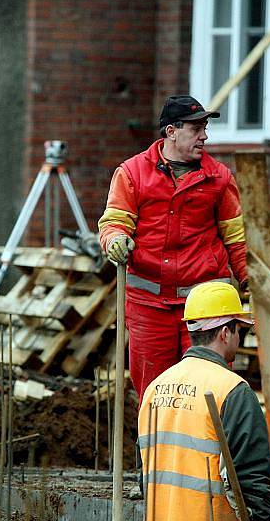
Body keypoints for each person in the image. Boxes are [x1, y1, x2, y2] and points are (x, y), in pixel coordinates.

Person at [98, 95, 248, 399]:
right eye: (196, 129)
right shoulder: (132, 173)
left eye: (204, 128)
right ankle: (154, 448)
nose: (204, 136)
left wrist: (249, 281)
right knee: (155, 395)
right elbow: (114, 221)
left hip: (206, 305)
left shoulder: (219, 178)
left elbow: (236, 237)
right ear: (171, 132)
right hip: (149, 306)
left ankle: (209, 447)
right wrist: (115, 240)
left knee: (209, 391)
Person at [138, 281, 270, 521]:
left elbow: (143, 467)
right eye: (239, 331)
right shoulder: (233, 390)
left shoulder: (155, 387)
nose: (239, 338)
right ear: (225, 333)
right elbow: (251, 472)